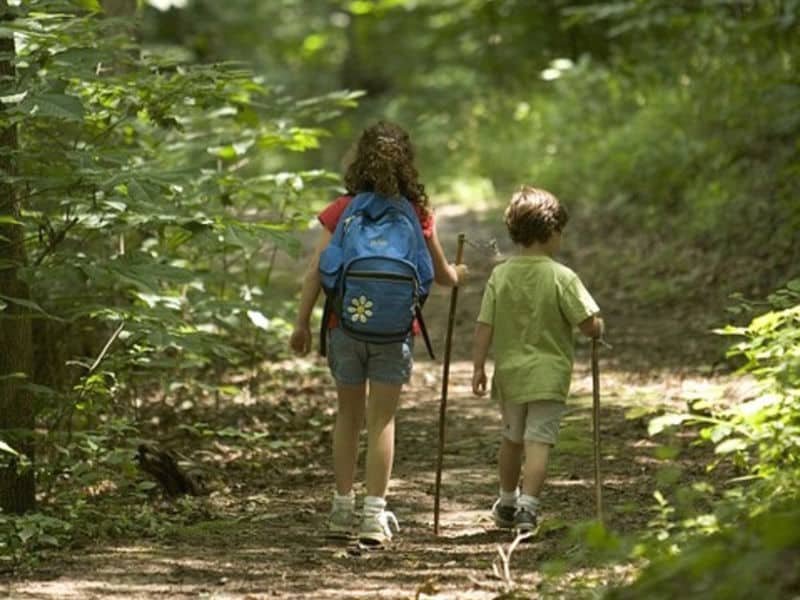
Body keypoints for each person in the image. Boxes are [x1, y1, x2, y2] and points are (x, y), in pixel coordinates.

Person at [289, 121, 467, 546]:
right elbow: (442, 277)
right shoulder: (417, 213)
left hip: (343, 327)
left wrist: (301, 324)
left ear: (360, 160)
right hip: (393, 331)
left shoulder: (341, 209)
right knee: (382, 419)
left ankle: (340, 509)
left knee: (347, 417)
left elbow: (317, 270)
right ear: (407, 163)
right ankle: (373, 516)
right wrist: (459, 272)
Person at [471, 186, 603, 533]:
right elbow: (588, 324)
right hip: (549, 376)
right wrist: (598, 328)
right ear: (552, 231)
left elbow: (484, 325)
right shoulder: (562, 276)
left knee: (512, 439)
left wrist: (478, 366)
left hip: (511, 376)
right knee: (539, 441)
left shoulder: (500, 275)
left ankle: (506, 501)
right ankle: (528, 509)